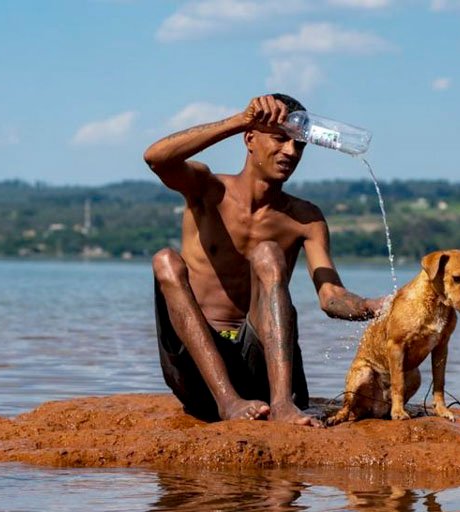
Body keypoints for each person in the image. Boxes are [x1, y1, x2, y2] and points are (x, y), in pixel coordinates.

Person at [143, 94, 385, 426]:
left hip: (260, 366)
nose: (290, 152)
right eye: (280, 139)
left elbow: (331, 297)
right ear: (250, 139)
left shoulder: (305, 218)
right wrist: (239, 119)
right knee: (165, 260)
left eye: (299, 145)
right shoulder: (207, 188)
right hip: (198, 371)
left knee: (267, 252)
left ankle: (283, 404)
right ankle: (228, 402)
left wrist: (378, 305)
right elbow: (156, 158)